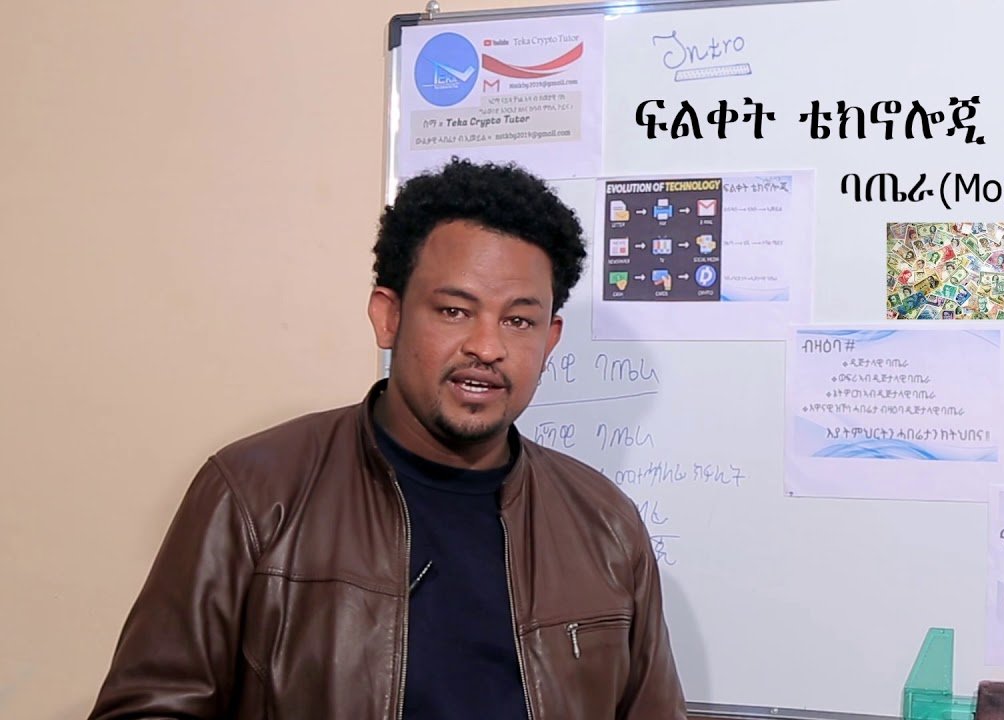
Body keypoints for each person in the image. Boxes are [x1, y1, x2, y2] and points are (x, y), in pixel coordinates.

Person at [88, 158, 687, 720]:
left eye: (518, 320)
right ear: (388, 316)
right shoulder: (253, 492)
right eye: (454, 311)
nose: (487, 346)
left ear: (549, 340)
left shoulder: (606, 526)